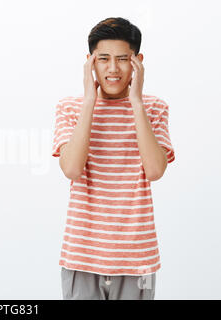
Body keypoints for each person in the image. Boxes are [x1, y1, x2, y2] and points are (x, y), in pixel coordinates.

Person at [52, 17, 175, 300]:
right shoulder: (70, 108)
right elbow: (71, 168)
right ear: (90, 62)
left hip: (137, 258)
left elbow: (155, 170)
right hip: (82, 256)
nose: (112, 69)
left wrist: (136, 102)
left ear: (138, 61)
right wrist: (88, 103)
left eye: (122, 59)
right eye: (103, 59)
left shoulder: (154, 108)